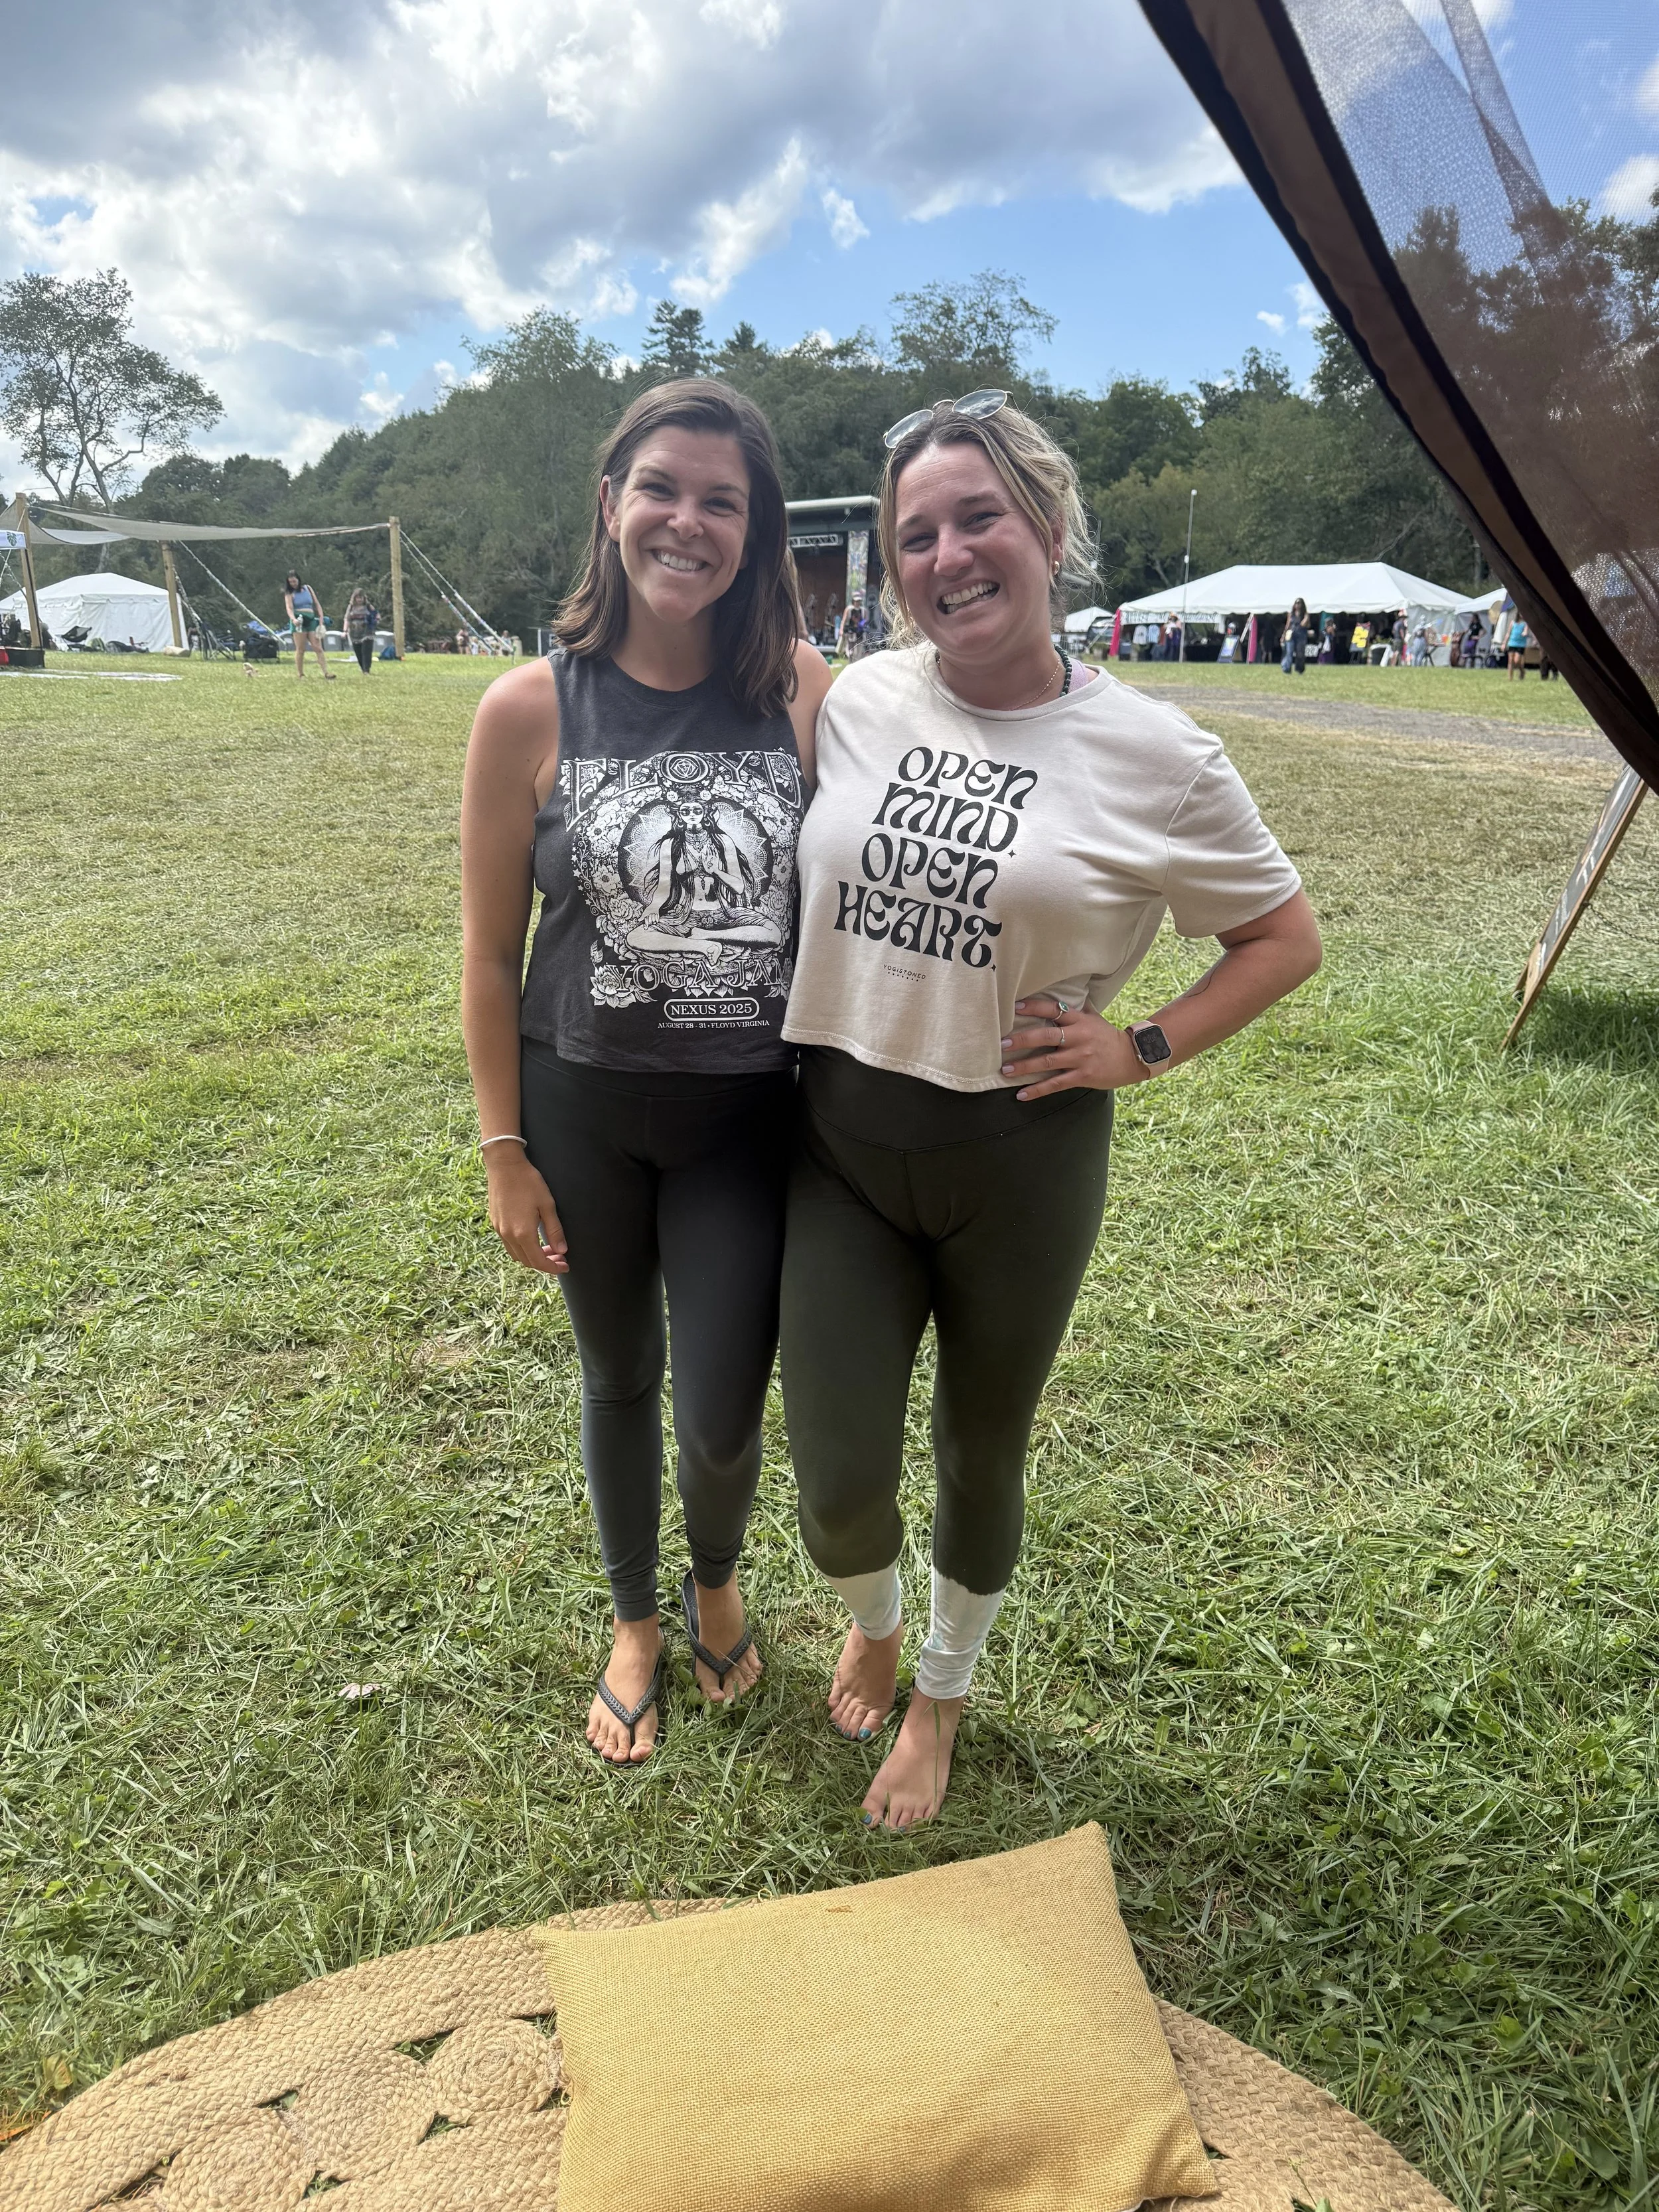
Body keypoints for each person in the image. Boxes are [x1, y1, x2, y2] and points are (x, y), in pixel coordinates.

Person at [777, 392, 1323, 1829]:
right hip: (836, 1143)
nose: (947, 555)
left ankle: (940, 1696)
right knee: (835, 1475)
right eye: (914, 535)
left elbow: (1281, 939)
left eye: (977, 519)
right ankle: (874, 1616)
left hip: (1018, 1154)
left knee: (978, 1447)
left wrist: (1137, 1043)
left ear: (1048, 527)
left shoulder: (1157, 753)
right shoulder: (853, 697)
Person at [459, 380, 832, 1766]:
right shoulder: (524, 708)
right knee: (619, 1375)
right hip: (582, 1109)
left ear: (756, 529)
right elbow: (491, 952)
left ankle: (716, 1580)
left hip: (747, 1118)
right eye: (661, 488)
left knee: (725, 1399)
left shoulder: (802, 694)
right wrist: (502, 1147)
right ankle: (634, 1619)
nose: (688, 521)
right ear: (610, 503)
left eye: (721, 500)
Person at [283, 572, 334, 680]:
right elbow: (289, 608)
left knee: (318, 647)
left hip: (311, 619)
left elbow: (316, 604)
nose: (293, 584)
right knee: (301, 649)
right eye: (291, 582)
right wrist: (293, 619)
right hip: (299, 620)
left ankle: (326, 672)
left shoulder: (308, 589)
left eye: (294, 581)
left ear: (299, 580)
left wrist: (321, 619)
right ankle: (301, 674)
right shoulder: (289, 593)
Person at [344, 587, 380, 675]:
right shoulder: (351, 607)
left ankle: (366, 670)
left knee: (366, 651)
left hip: (367, 632)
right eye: (358, 597)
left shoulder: (368, 606)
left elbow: (377, 615)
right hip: (355, 633)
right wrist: (345, 631)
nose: (359, 600)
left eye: (361, 597)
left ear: (364, 598)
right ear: (354, 598)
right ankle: (363, 668)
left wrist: (375, 621)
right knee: (358, 652)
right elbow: (347, 619)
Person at [1281, 598, 1308, 674]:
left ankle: (1299, 669)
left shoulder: (1304, 614)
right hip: (1291, 635)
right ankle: (1286, 668)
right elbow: (1288, 625)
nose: (1297, 605)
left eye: (1299, 603)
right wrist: (1283, 635)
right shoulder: (1291, 614)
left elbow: (1304, 624)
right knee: (1289, 652)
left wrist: (1306, 617)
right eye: (1296, 603)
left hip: (1301, 635)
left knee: (1300, 653)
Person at [1506, 613, 1530, 679]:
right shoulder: (1513, 622)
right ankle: (1510, 678)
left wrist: (1524, 633)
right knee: (1510, 661)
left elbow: (1526, 631)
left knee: (1517, 661)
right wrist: (1504, 643)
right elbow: (1509, 633)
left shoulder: (1525, 623)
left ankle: (1522, 671)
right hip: (1512, 643)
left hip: (1520, 644)